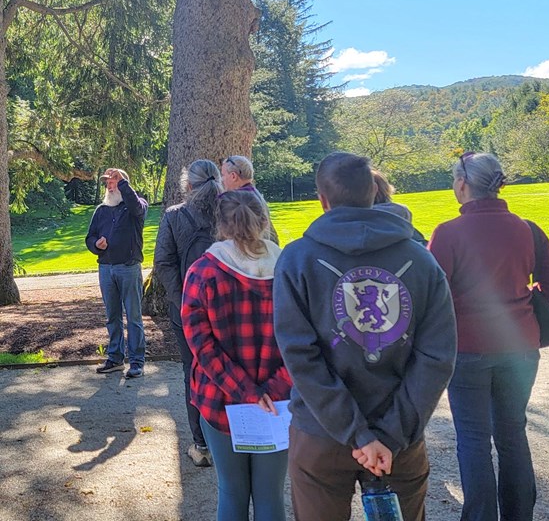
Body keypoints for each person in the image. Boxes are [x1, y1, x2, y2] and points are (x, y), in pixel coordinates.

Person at [273, 151, 457, 521]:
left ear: (321, 200)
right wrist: (387, 436)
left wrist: (360, 434)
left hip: (322, 433)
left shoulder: (296, 259)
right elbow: (437, 358)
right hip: (399, 439)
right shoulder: (421, 261)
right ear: (374, 192)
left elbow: (300, 357)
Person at [428, 152, 549, 521]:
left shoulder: (447, 233)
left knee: (473, 440)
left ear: (462, 184)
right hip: (520, 344)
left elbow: (433, 294)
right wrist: (524, 301)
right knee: (512, 434)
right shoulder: (527, 228)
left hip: (468, 347)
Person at [181, 190, 292, 521]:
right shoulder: (288, 270)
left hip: (220, 400)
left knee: (231, 491)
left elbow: (201, 345)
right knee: (271, 495)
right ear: (263, 220)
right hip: (277, 405)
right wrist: (270, 391)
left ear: (221, 224)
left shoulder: (203, 273)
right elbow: (303, 343)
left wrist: (246, 392)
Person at [154, 159, 223, 467]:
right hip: (225, 307)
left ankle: (201, 444)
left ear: (188, 184)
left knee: (192, 372)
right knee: (227, 367)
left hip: (186, 309)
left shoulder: (174, 216)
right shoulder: (230, 210)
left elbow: (164, 263)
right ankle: (230, 438)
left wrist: (182, 302)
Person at [86, 167, 148, 379]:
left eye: (114, 182)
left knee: (133, 316)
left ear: (124, 185)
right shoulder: (101, 210)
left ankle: (137, 362)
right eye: (108, 182)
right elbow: (90, 237)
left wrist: (123, 182)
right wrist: (96, 244)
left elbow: (137, 209)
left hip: (128, 267)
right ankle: (115, 358)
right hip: (106, 268)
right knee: (112, 316)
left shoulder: (135, 206)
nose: (109, 185)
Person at [220, 155, 278, 243]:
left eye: (223, 175)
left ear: (233, 176)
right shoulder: (255, 195)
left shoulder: (242, 202)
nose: (221, 180)